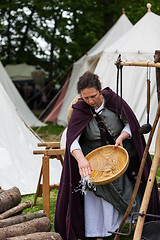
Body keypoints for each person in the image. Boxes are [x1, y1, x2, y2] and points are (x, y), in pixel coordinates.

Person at [54, 71, 160, 240]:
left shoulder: (114, 101)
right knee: (98, 197)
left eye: (93, 96)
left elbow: (130, 124)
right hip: (94, 159)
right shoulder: (80, 110)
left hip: (120, 153)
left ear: (100, 90)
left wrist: (122, 137)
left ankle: (123, 225)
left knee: (128, 188)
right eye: (86, 97)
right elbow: (72, 140)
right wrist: (81, 159)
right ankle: (98, 233)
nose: (90, 101)